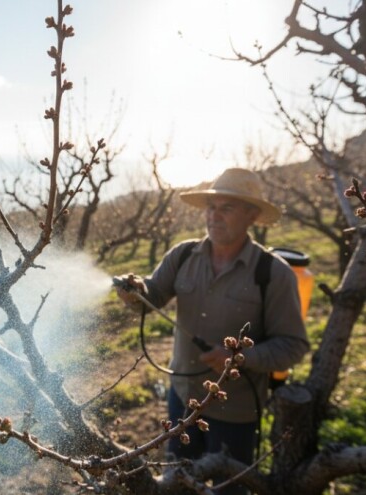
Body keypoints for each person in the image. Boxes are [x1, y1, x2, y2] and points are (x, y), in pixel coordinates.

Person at [116, 168, 309, 494]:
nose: (214, 217)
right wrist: (134, 291)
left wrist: (241, 359)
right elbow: (153, 296)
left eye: (227, 208)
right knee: (177, 480)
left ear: (251, 215)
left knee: (229, 488)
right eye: (211, 207)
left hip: (236, 410)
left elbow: (293, 346)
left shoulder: (274, 274)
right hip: (182, 397)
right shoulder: (183, 254)